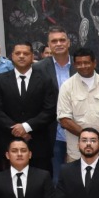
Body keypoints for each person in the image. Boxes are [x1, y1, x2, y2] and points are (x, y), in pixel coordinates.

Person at [0, 41, 58, 173]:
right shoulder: (0, 80)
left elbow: (50, 111)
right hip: (8, 142)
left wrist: (26, 127)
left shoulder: (45, 80)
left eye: (26, 53)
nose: (21, 56)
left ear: (32, 56)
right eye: (18, 53)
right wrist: (16, 129)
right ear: (11, 56)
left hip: (38, 143)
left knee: (40, 184)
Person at [57, 47, 99, 165]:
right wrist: (90, 138)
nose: (83, 66)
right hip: (77, 152)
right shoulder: (67, 87)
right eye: (79, 63)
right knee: (78, 183)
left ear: (94, 63)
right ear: (74, 65)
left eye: (86, 62)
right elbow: (64, 120)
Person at [33, 27, 74, 184]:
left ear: (68, 43)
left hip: (77, 130)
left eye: (62, 40)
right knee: (56, 179)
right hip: (51, 133)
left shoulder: (80, 65)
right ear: (48, 45)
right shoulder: (38, 69)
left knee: (76, 178)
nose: (58, 44)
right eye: (54, 41)